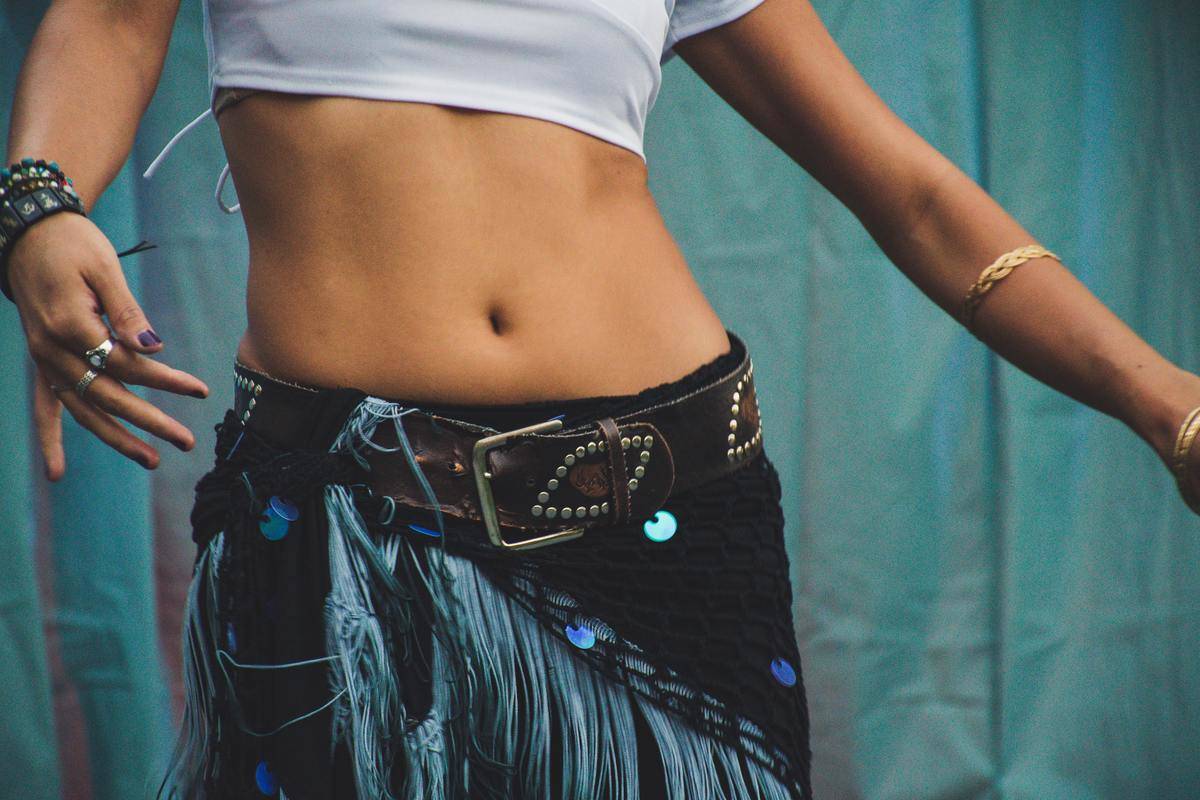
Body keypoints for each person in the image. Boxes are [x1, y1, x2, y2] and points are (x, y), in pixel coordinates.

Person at [4, 0, 1199, 798]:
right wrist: (37, 205)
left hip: (674, 522)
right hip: (351, 536)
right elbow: (108, 18)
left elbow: (917, 198)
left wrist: (1173, 407)